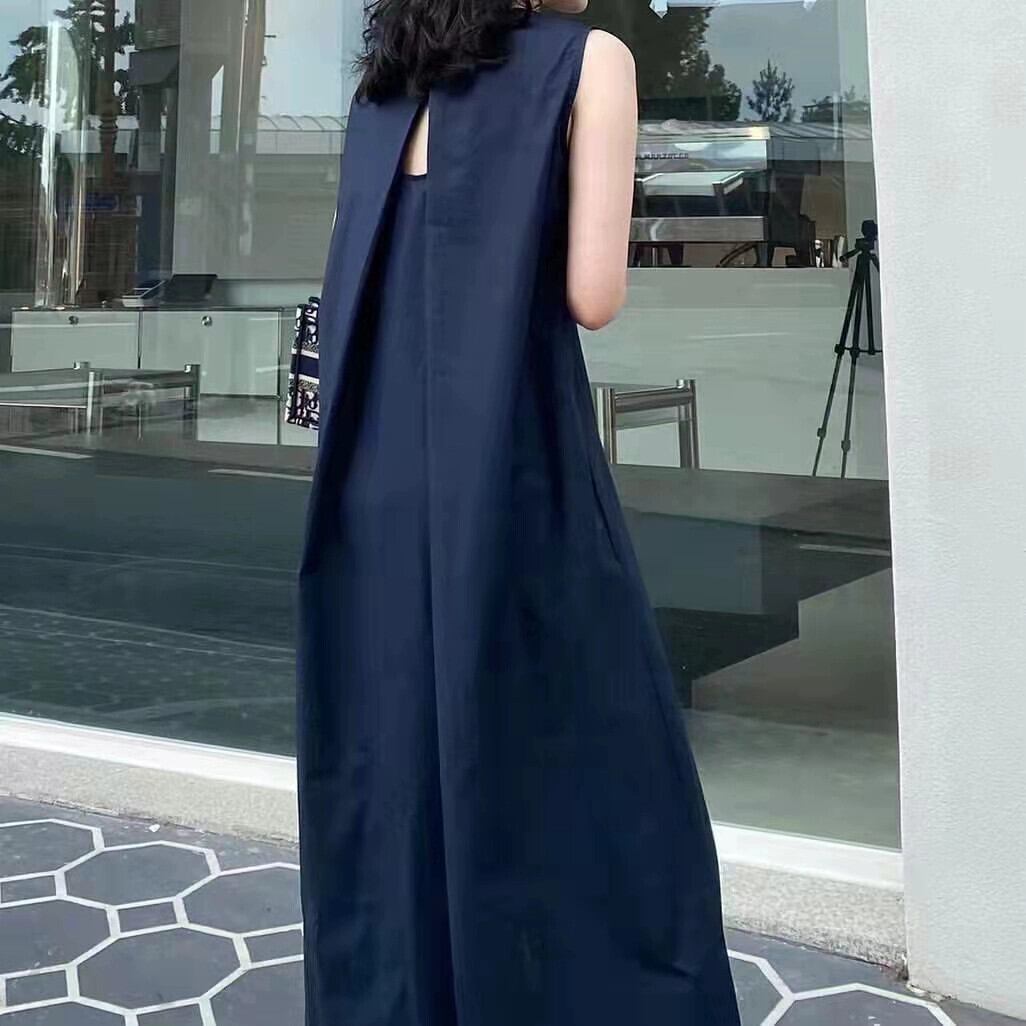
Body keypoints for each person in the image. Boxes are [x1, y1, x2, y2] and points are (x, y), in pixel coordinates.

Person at [295, 1, 741, 1023]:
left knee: (394, 759)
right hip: (511, 461)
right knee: (583, 751)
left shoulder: (382, 88)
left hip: (370, 473)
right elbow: (593, 294)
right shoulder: (590, 61)